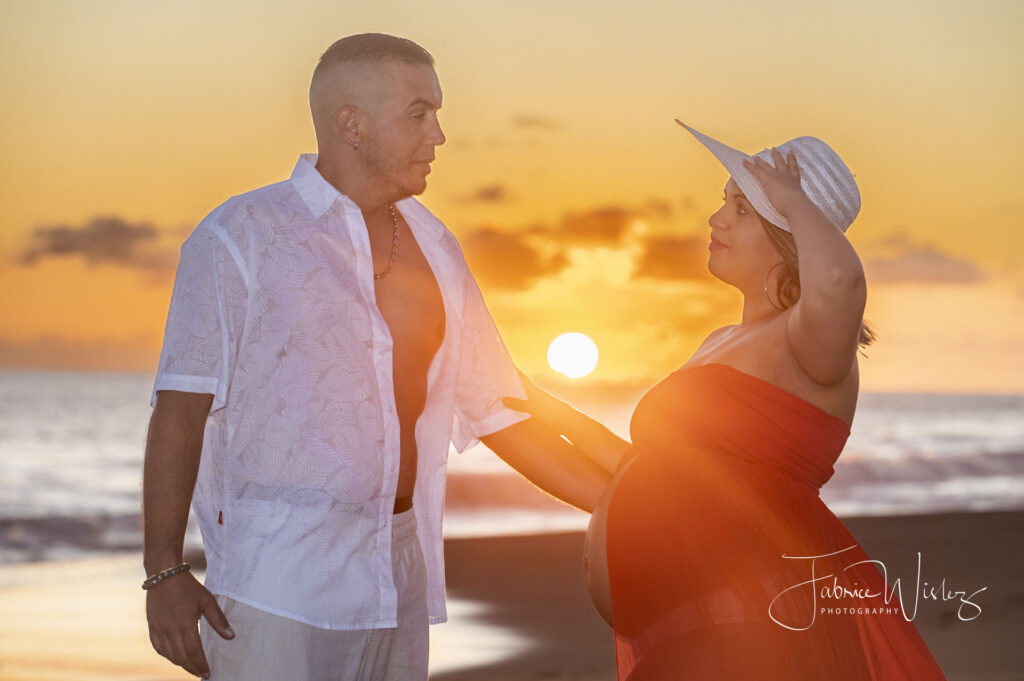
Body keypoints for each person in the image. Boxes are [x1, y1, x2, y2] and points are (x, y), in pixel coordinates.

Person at [142, 33, 611, 681]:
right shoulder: (240, 237)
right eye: (419, 113)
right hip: (277, 588)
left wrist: (625, 500)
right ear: (352, 126)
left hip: (399, 578)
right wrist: (164, 570)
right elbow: (180, 406)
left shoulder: (436, 245)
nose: (439, 134)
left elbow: (500, 410)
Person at [505, 122, 948, 679]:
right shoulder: (720, 341)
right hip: (690, 628)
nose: (716, 219)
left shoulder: (808, 345)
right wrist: (541, 407)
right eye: (724, 203)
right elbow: (648, 471)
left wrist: (786, 195)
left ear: (789, 236)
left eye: (741, 208)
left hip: (749, 631)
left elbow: (837, 277)